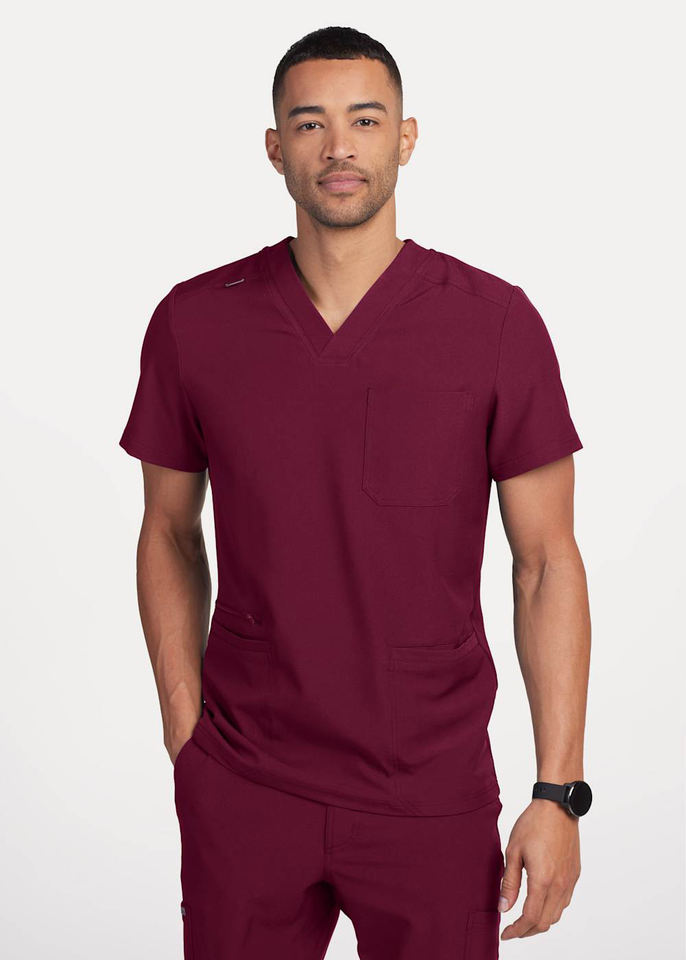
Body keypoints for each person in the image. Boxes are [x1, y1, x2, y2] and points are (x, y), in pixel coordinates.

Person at [119, 25, 591, 960]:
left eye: (365, 120)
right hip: (246, 783)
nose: (339, 146)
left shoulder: (494, 323)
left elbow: (544, 562)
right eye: (310, 124)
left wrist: (558, 792)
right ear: (275, 147)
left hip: (431, 790)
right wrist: (186, 736)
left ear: (405, 139)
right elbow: (168, 530)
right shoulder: (195, 322)